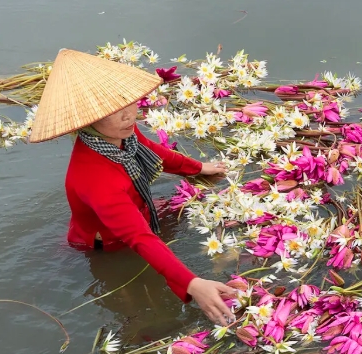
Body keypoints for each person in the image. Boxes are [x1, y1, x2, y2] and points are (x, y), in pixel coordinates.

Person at [28, 49, 236, 325]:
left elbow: (153, 151)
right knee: (136, 294)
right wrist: (193, 283)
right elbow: (139, 238)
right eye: (113, 112)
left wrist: (198, 168)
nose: (128, 116)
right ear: (88, 121)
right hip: (110, 242)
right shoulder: (96, 178)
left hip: (137, 210)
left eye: (129, 103)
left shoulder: (121, 134)